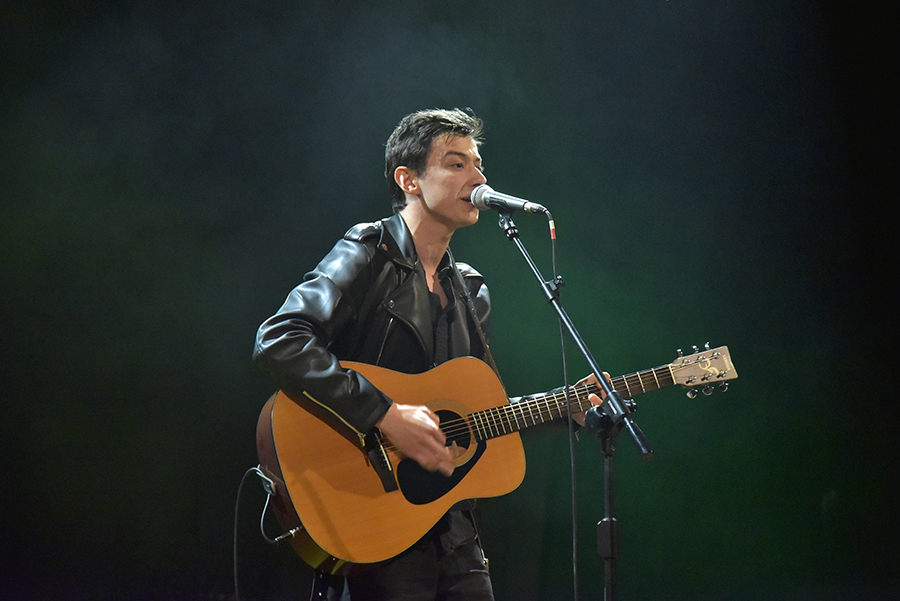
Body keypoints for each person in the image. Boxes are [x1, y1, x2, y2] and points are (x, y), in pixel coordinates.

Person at [253, 108, 601, 601]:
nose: (478, 178)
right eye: (457, 164)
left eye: (478, 165)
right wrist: (383, 414)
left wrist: (566, 408)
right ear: (409, 180)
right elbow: (280, 340)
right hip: (375, 521)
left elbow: (476, 418)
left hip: (452, 529)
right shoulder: (370, 252)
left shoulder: (471, 291)